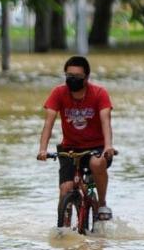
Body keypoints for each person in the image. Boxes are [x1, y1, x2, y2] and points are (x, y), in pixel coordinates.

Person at [37, 56, 116, 220]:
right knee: (66, 188)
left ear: (86, 77)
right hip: (70, 148)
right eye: (69, 76)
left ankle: (101, 203)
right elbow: (48, 124)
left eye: (77, 77)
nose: (72, 80)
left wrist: (108, 146)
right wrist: (43, 149)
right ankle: (64, 228)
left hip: (97, 147)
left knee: (96, 163)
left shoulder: (99, 94)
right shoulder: (58, 93)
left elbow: (106, 121)